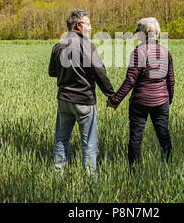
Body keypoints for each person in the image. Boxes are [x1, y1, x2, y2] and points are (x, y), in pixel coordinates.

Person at [49, 9, 115, 177]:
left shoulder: (58, 46)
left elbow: (52, 72)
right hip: (84, 99)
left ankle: (58, 174)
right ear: (78, 25)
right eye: (88, 24)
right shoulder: (86, 46)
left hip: (64, 99)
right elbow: (100, 72)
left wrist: (68, 73)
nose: (90, 27)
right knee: (89, 142)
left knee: (61, 139)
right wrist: (110, 94)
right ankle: (90, 179)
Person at [107, 17, 174, 169]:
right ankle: (168, 168)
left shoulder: (138, 52)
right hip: (162, 101)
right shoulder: (165, 52)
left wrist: (115, 99)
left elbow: (130, 80)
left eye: (137, 30)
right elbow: (171, 79)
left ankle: (134, 172)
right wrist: (169, 98)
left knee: (136, 137)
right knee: (164, 135)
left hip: (140, 102)